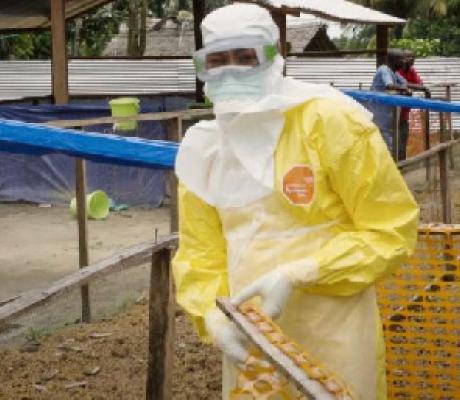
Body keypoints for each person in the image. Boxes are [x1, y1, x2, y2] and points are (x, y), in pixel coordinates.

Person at [173, 4, 419, 399]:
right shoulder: (203, 150)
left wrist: (301, 273)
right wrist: (213, 319)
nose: (231, 71)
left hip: (334, 330)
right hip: (251, 337)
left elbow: (391, 229)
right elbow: (200, 255)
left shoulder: (330, 121)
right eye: (217, 60)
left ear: (273, 56)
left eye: (245, 57)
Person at [369, 48, 411, 153]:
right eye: (401, 59)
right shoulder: (384, 69)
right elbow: (389, 85)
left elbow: (404, 83)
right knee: (384, 144)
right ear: (393, 60)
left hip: (387, 115)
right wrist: (404, 89)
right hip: (378, 113)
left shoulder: (394, 73)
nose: (404, 61)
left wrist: (405, 88)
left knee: (389, 144)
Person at [396, 50, 430, 160]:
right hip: (393, 113)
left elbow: (419, 84)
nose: (411, 60)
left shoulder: (411, 71)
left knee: (403, 140)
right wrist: (410, 87)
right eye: (408, 57)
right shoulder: (396, 71)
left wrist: (416, 87)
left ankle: (401, 165)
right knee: (393, 140)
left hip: (404, 113)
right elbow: (399, 85)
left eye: (413, 57)